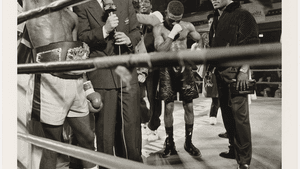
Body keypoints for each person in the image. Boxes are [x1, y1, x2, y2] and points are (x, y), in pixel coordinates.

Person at [22, 0, 102, 168]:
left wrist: (88, 89)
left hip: (76, 83)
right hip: (50, 82)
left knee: (87, 138)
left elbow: (75, 56)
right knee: (52, 147)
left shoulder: (71, 15)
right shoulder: (37, 4)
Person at [73, 0, 143, 165]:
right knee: (106, 134)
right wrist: (105, 30)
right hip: (102, 75)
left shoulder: (125, 2)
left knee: (132, 130)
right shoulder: (82, 5)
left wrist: (128, 39)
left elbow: (136, 30)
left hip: (127, 74)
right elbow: (82, 36)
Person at [208, 0, 260, 168]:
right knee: (227, 116)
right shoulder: (217, 17)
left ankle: (244, 162)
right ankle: (233, 149)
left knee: (240, 118)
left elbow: (252, 46)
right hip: (220, 72)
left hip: (236, 73)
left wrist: (244, 71)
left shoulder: (243, 15)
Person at [153, 1, 204, 157]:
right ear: (166, 12)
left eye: (178, 19)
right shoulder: (158, 28)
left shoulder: (187, 26)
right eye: (172, 18)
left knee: (189, 106)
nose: (175, 22)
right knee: (168, 107)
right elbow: (160, 50)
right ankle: (170, 142)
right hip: (167, 69)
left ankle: (188, 142)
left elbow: (200, 38)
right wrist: (171, 34)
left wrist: (197, 50)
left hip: (185, 69)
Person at [134, 0, 164, 142]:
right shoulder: (136, 20)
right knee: (136, 98)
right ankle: (145, 120)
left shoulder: (156, 15)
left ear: (151, 5)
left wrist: (129, 14)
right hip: (137, 66)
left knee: (154, 99)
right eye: (141, 2)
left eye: (146, 1)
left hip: (154, 67)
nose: (143, 4)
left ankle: (154, 127)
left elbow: (152, 20)